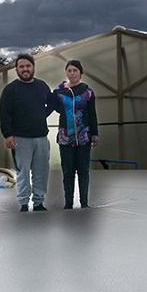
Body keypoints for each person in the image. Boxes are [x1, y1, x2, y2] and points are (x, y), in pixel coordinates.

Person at [0, 53, 53, 212]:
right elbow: (4, 113)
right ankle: (23, 203)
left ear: (33, 67)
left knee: (41, 171)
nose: (25, 69)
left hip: (41, 137)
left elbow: (51, 104)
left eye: (28, 66)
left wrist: (41, 115)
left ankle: (38, 202)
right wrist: (7, 135)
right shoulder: (10, 90)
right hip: (20, 139)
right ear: (16, 70)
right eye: (21, 66)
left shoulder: (42, 86)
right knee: (22, 172)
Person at [52, 59, 99, 209]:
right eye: (69, 70)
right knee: (68, 171)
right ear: (66, 73)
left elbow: (92, 113)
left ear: (81, 73)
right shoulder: (59, 91)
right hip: (65, 135)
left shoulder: (88, 92)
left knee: (83, 170)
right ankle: (68, 203)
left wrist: (95, 134)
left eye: (75, 70)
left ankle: (84, 202)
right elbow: (54, 108)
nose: (72, 73)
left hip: (83, 135)